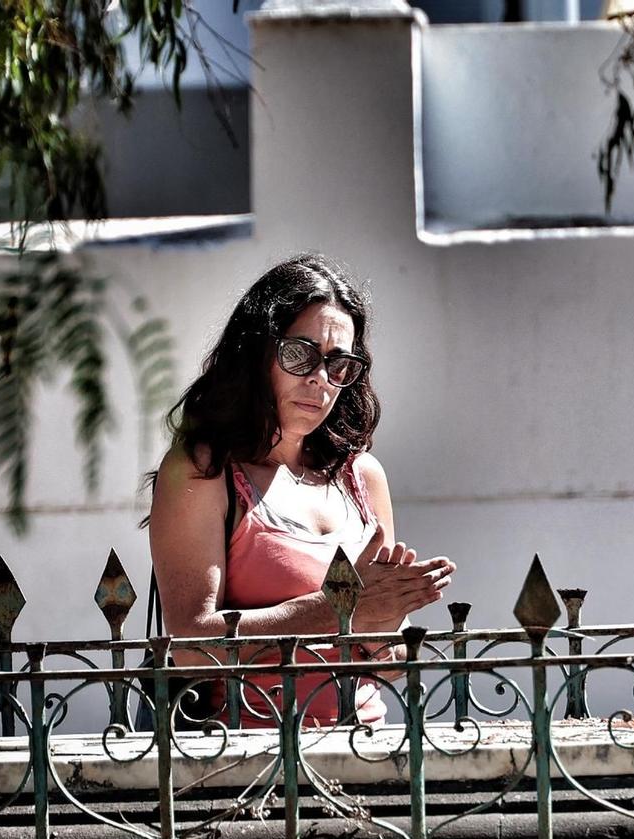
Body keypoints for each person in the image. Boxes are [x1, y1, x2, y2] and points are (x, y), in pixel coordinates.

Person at [148, 254, 454, 726]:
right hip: (249, 753)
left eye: (339, 364)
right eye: (299, 354)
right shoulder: (204, 470)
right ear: (255, 354)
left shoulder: (363, 476)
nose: (319, 379)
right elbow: (191, 647)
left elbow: (390, 666)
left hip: (365, 746)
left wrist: (383, 621)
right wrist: (339, 608)